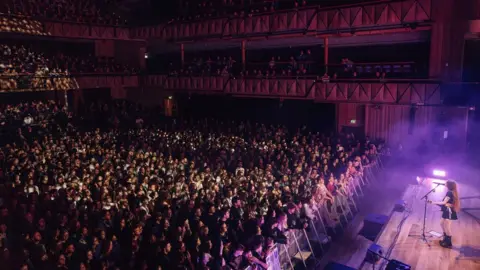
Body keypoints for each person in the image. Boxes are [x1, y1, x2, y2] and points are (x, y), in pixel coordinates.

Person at [428, 180, 460, 248]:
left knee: (447, 227)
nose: (445, 183)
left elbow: (444, 202)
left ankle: (448, 242)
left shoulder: (449, 192)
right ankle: (445, 239)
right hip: (447, 210)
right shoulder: (451, 192)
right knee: (441, 223)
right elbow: (445, 203)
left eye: (446, 183)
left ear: (449, 185)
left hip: (449, 211)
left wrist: (433, 202)